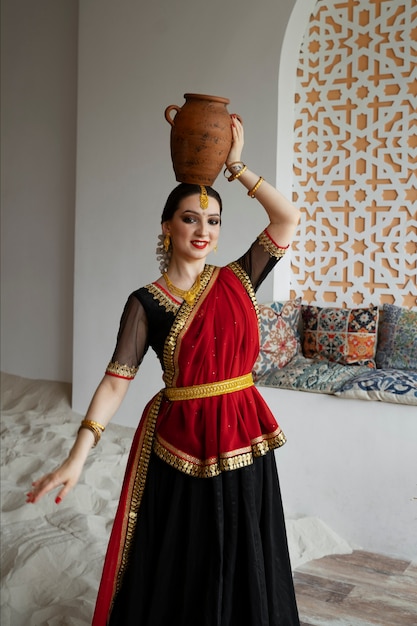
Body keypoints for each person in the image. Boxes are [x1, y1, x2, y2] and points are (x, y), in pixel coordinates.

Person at [28, 117, 301, 625]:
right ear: (167, 225)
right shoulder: (145, 303)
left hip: (242, 428)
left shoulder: (239, 277)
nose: (203, 230)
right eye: (191, 219)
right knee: (192, 551)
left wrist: (237, 167)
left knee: (246, 543)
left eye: (213, 220)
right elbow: (116, 380)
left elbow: (287, 218)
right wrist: (77, 456)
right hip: (183, 440)